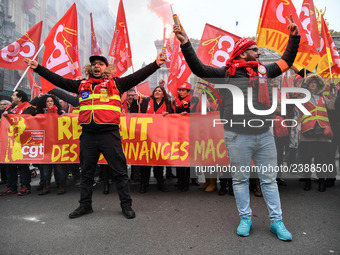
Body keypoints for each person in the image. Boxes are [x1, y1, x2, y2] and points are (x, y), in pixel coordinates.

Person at [173, 16, 300, 241]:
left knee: (269, 180)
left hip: (264, 135)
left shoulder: (264, 71)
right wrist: (185, 43)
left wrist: (294, 38)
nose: (259, 53)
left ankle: (277, 222)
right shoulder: (225, 74)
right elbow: (198, 68)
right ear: (242, 53)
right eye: (255, 50)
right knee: (240, 180)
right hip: (237, 136)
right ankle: (245, 219)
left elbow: (286, 62)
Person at [25, 54, 165, 219]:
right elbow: (58, 80)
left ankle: (126, 206)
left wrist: (155, 64)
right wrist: (38, 68)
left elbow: (138, 75)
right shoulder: (81, 85)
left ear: (106, 68)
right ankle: (85, 206)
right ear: (90, 68)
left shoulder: (117, 83)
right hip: (88, 135)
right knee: (86, 173)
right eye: (94, 64)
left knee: (120, 172)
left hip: (109, 134)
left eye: (100, 64)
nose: (96, 66)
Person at [130, 85, 172, 193]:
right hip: (147, 136)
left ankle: (160, 183)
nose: (157, 92)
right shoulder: (146, 101)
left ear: (163, 94)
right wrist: (135, 101)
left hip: (160, 137)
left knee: (159, 161)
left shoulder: (167, 104)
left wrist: (168, 114)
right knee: (146, 161)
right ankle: (144, 183)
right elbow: (134, 112)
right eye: (155, 90)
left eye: (159, 91)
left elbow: (173, 118)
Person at [298, 74, 335, 192]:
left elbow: (332, 107)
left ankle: (321, 182)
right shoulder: (303, 97)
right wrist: (302, 91)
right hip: (307, 133)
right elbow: (298, 105)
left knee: (320, 159)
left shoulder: (323, 98)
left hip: (321, 134)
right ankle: (307, 181)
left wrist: (333, 96)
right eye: (310, 82)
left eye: (315, 82)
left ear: (318, 85)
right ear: (307, 85)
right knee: (307, 159)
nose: (313, 84)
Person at [0, 90, 35, 196]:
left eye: (14, 95)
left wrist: (9, 115)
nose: (11, 97)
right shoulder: (9, 107)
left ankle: (25, 186)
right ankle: (11, 186)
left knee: (22, 164)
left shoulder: (29, 108)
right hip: (8, 140)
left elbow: (25, 120)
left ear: (20, 98)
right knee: (9, 164)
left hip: (22, 140)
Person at [35, 94, 67, 195]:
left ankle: (61, 186)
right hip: (45, 144)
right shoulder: (39, 113)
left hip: (58, 143)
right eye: (47, 101)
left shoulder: (60, 113)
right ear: (44, 103)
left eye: (51, 101)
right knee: (45, 167)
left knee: (59, 167)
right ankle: (46, 186)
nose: (50, 102)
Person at [172, 82, 192, 192]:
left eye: (183, 90)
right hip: (178, 133)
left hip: (189, 133)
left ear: (188, 92)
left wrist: (188, 111)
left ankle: (186, 182)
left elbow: (199, 113)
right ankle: (180, 181)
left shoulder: (194, 101)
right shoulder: (175, 101)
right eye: (179, 90)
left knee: (187, 158)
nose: (181, 92)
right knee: (179, 157)